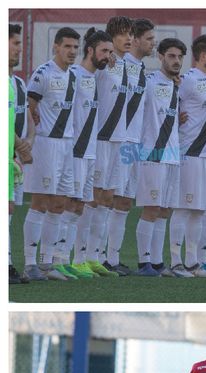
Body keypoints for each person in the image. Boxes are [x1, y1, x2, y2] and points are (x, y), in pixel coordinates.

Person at [22, 27, 80, 282]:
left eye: (75, 47)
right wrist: (30, 138)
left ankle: (47, 263)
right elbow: (28, 108)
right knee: (40, 202)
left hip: (67, 145)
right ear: (56, 47)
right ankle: (29, 263)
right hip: (46, 144)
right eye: (67, 46)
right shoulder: (43, 73)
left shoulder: (73, 76)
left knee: (59, 204)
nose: (72, 51)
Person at [62, 28, 113, 280]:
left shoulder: (96, 77)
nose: (108, 56)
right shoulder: (73, 74)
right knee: (67, 204)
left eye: (110, 52)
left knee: (80, 206)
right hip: (75, 151)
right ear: (90, 50)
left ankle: (78, 260)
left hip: (90, 151)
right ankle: (58, 260)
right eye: (104, 51)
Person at [106, 17, 154, 275]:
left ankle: (113, 259)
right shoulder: (112, 63)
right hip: (116, 140)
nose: (152, 43)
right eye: (148, 38)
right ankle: (97, 256)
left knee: (124, 202)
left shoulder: (140, 68)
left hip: (135, 143)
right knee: (106, 198)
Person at [135, 37, 186, 276]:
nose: (176, 61)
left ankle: (157, 262)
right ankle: (143, 261)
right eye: (171, 56)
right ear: (160, 56)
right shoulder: (149, 81)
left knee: (165, 210)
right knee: (152, 208)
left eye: (180, 57)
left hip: (173, 154)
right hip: (153, 152)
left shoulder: (178, 85)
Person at [174, 34, 206, 277]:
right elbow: (170, 102)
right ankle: (175, 262)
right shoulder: (189, 79)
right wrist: (175, 116)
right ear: (203, 56)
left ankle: (193, 263)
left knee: (199, 211)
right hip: (191, 153)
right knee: (183, 208)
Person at [87, 16, 132, 278]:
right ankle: (81, 256)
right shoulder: (103, 64)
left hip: (119, 140)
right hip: (100, 138)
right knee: (93, 199)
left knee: (107, 199)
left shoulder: (125, 65)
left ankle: (96, 257)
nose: (129, 39)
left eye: (131, 34)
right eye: (123, 34)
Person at [9, 22, 34, 284]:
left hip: (14, 158)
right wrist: (19, 146)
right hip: (9, 155)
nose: (20, 49)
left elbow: (28, 118)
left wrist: (29, 142)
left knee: (10, 210)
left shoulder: (18, 83)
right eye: (15, 43)